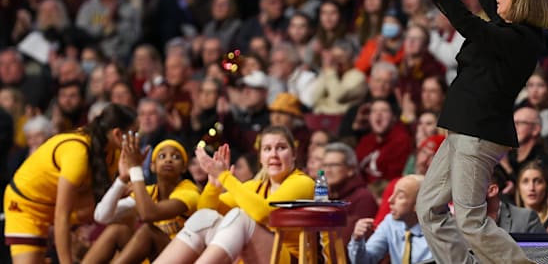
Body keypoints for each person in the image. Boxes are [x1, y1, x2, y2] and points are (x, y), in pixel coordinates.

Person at [413, 0, 548, 264]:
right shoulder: (507, 27)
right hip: (461, 127)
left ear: (519, 0)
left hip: (479, 133)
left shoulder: (520, 40)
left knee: (472, 221)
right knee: (428, 207)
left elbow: (464, 20)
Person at [153, 127, 315, 264]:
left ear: (293, 154)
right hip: (259, 256)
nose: (274, 154)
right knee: (206, 218)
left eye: (281, 148)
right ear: (260, 158)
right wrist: (214, 185)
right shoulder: (254, 186)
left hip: (294, 259)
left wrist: (225, 177)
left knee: (241, 217)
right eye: (267, 149)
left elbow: (265, 213)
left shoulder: (303, 182)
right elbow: (205, 211)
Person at [4, 104, 137, 264]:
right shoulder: (77, 153)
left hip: (66, 204)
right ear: (117, 134)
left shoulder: (115, 154)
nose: (138, 138)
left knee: (126, 205)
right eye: (134, 133)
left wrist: (134, 169)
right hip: (28, 206)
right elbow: (62, 216)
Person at [82, 139, 199, 263]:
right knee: (117, 229)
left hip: (182, 258)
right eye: (162, 156)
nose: (168, 160)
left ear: (184, 167)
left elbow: (149, 214)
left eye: (176, 157)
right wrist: (122, 179)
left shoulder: (190, 192)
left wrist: (135, 170)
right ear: (152, 166)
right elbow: (101, 216)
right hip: (155, 258)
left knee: (148, 231)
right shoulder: (149, 192)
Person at [348, 174, 433, 264]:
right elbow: (365, 261)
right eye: (393, 194)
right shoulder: (390, 222)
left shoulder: (438, 230)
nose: (390, 200)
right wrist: (357, 240)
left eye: (400, 196)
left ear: (418, 204)